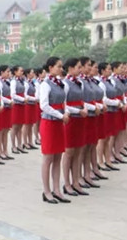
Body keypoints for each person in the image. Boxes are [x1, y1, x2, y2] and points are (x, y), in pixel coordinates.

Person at [39, 57, 71, 204]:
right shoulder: (45, 84)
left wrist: (66, 112)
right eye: (58, 66)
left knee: (58, 156)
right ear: (50, 67)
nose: (61, 69)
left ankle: (57, 189)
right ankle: (46, 191)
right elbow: (44, 105)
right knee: (48, 158)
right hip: (49, 123)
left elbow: (64, 102)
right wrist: (60, 115)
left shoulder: (60, 83)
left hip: (59, 122)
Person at [61, 58, 91, 197]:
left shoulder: (79, 83)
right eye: (78, 67)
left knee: (79, 151)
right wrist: (78, 111)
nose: (80, 70)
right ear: (70, 68)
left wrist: (84, 108)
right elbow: (64, 104)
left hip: (80, 119)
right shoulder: (65, 84)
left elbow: (82, 100)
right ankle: (67, 183)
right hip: (71, 119)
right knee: (69, 152)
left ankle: (76, 181)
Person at [0, 66, 14, 160]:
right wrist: (9, 101)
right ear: (2, 72)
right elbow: (0, 96)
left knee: (6, 130)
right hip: (3, 107)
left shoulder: (8, 82)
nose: (9, 73)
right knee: (1, 131)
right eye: (7, 71)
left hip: (8, 107)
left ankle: (5, 150)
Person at [10, 66, 27, 154]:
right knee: (14, 127)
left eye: (22, 71)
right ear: (15, 72)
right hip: (16, 105)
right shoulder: (13, 81)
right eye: (20, 71)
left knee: (20, 126)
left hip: (22, 105)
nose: (22, 72)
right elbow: (13, 94)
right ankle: (13, 146)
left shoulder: (22, 81)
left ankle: (20, 145)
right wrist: (22, 99)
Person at [22, 68, 39, 150]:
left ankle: (30, 141)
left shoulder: (32, 82)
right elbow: (25, 95)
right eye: (32, 72)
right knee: (26, 124)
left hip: (32, 105)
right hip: (28, 105)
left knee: (31, 124)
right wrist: (34, 98)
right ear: (28, 74)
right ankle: (25, 142)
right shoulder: (26, 83)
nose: (33, 73)